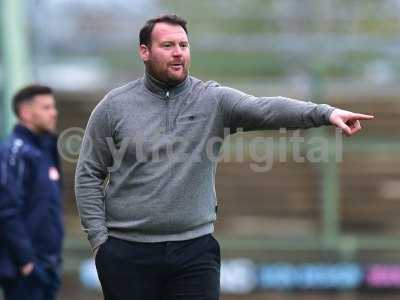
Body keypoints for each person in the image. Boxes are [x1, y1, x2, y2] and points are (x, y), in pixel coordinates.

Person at [75, 14, 374, 300]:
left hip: (193, 251)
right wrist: (100, 243)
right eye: (168, 46)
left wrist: (325, 112)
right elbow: (88, 173)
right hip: (128, 253)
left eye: (184, 45)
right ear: (144, 51)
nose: (178, 53)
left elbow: (266, 108)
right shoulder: (114, 107)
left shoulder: (212, 100)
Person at [0, 85, 63, 300]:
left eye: (53, 106)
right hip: (25, 271)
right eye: (46, 107)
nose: (53, 112)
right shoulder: (14, 153)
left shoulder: (44, 149)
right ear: (26, 113)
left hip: (47, 265)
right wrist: (26, 262)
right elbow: (7, 210)